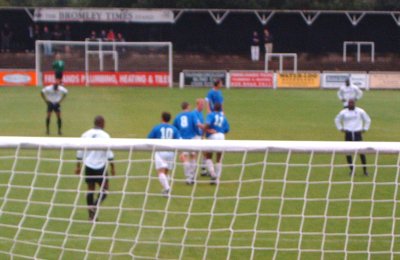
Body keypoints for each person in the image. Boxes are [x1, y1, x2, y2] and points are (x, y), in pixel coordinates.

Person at [75, 116, 116, 221]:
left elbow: (80, 151)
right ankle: (95, 205)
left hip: (88, 166)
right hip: (100, 167)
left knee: (90, 190)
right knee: (105, 189)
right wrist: (113, 167)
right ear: (102, 123)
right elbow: (109, 153)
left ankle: (91, 215)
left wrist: (78, 166)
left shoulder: (85, 134)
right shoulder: (105, 136)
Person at [148, 112, 181, 197]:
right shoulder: (174, 129)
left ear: (162, 118)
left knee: (160, 171)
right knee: (166, 171)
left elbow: (149, 138)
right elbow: (180, 140)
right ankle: (166, 189)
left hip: (160, 151)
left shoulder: (157, 128)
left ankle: (167, 188)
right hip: (171, 152)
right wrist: (181, 153)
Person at [334, 99, 371, 176]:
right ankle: (352, 169)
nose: (351, 104)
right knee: (348, 152)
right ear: (348, 104)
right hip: (348, 133)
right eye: (350, 103)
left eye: (352, 103)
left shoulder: (360, 111)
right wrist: (340, 128)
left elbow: (367, 120)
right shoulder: (343, 112)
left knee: (361, 152)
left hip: (357, 133)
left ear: (355, 103)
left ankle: (365, 170)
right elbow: (337, 119)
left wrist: (365, 129)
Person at [173, 102, 201, 184]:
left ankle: (188, 178)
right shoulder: (192, 115)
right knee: (193, 157)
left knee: (185, 158)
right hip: (192, 138)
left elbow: (175, 128)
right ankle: (192, 176)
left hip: (183, 139)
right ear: (188, 107)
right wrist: (199, 134)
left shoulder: (178, 116)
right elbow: (197, 125)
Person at [203, 103, 230, 184]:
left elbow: (207, 124)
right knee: (219, 158)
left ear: (213, 108)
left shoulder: (211, 115)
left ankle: (212, 173)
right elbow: (227, 129)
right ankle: (217, 180)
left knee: (208, 156)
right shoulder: (223, 117)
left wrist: (206, 131)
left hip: (213, 136)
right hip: (221, 136)